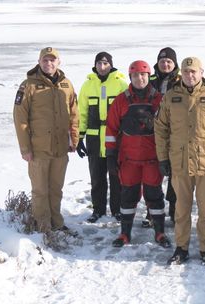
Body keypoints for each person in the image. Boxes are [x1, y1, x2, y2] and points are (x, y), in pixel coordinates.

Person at [155, 57, 205, 266]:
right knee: (182, 209)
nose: (190, 76)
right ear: (182, 73)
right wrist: (162, 158)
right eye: (186, 71)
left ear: (201, 72)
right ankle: (182, 247)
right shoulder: (171, 97)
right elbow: (161, 129)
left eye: (194, 72)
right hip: (180, 163)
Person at [105, 60, 171, 248]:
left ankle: (159, 232)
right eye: (135, 75)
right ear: (130, 77)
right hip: (129, 160)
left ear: (149, 76)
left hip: (152, 159)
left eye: (143, 75)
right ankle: (125, 233)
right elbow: (111, 129)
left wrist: (167, 157)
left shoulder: (160, 99)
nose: (139, 78)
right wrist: (110, 156)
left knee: (154, 196)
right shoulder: (121, 100)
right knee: (128, 197)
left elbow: (168, 129)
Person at [13, 47, 79, 234]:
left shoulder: (66, 84)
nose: (49, 63)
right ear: (39, 62)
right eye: (45, 60)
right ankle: (43, 226)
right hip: (38, 148)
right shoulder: (28, 85)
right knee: (40, 190)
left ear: (59, 62)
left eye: (52, 60)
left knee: (56, 188)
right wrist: (25, 148)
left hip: (60, 147)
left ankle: (56, 222)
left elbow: (74, 113)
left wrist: (74, 138)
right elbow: (20, 119)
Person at [77, 52, 128, 223]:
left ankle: (117, 210)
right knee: (97, 178)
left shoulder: (121, 84)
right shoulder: (87, 85)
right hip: (94, 139)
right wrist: (79, 137)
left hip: (115, 139)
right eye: (99, 63)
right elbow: (82, 113)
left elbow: (128, 113)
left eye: (105, 63)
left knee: (116, 177)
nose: (102, 66)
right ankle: (98, 210)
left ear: (111, 64)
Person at [148, 47, 182, 227]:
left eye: (169, 61)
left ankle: (175, 210)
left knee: (175, 174)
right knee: (153, 174)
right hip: (153, 133)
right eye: (162, 61)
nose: (165, 64)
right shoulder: (150, 81)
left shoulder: (182, 81)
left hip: (175, 133)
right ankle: (151, 212)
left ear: (175, 63)